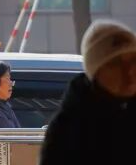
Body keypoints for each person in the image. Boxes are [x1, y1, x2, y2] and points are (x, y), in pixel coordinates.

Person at [40, 20, 136, 164]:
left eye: (134, 61)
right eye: (115, 64)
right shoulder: (68, 132)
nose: (129, 72)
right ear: (95, 73)